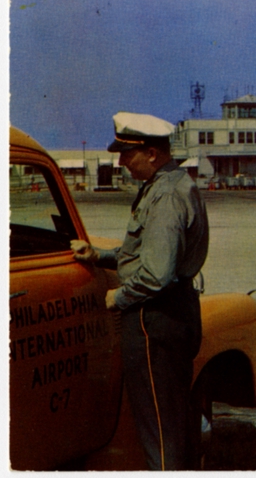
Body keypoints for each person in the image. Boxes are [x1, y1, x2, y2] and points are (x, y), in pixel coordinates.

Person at [71, 112, 209, 470]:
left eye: (126, 154)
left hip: (153, 319)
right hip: (171, 313)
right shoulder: (174, 184)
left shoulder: (164, 196)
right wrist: (99, 256)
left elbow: (156, 274)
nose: (121, 162)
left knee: (159, 429)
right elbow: (145, 253)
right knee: (174, 423)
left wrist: (118, 297)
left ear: (150, 153)